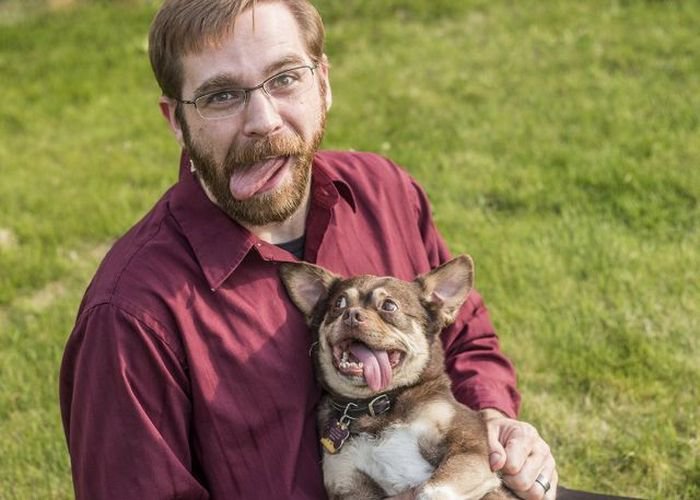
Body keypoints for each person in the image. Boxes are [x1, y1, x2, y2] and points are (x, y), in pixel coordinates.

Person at [60, 1, 561, 498]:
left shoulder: (384, 190)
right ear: (176, 120)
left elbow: (467, 339)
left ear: (322, 83)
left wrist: (494, 421)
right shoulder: (130, 316)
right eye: (222, 95)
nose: (263, 120)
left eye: (284, 78)